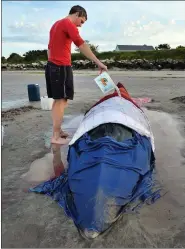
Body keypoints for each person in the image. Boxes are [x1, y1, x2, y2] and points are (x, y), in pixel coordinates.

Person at [45, 5, 108, 145]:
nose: (80, 26)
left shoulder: (56, 24)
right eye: (82, 21)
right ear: (77, 14)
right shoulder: (68, 23)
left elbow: (49, 48)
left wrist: (52, 64)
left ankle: (58, 130)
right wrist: (98, 62)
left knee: (61, 100)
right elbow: (81, 44)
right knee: (60, 101)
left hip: (56, 66)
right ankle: (55, 136)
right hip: (59, 67)